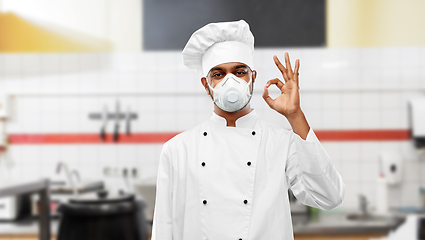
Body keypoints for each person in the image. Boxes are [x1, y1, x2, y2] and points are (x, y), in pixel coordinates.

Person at [152, 20, 345, 240]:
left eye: (239, 72)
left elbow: (331, 197)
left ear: (252, 77)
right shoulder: (178, 150)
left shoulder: (281, 142)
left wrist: (295, 116)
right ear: (206, 85)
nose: (230, 81)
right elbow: (163, 228)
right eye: (218, 74)